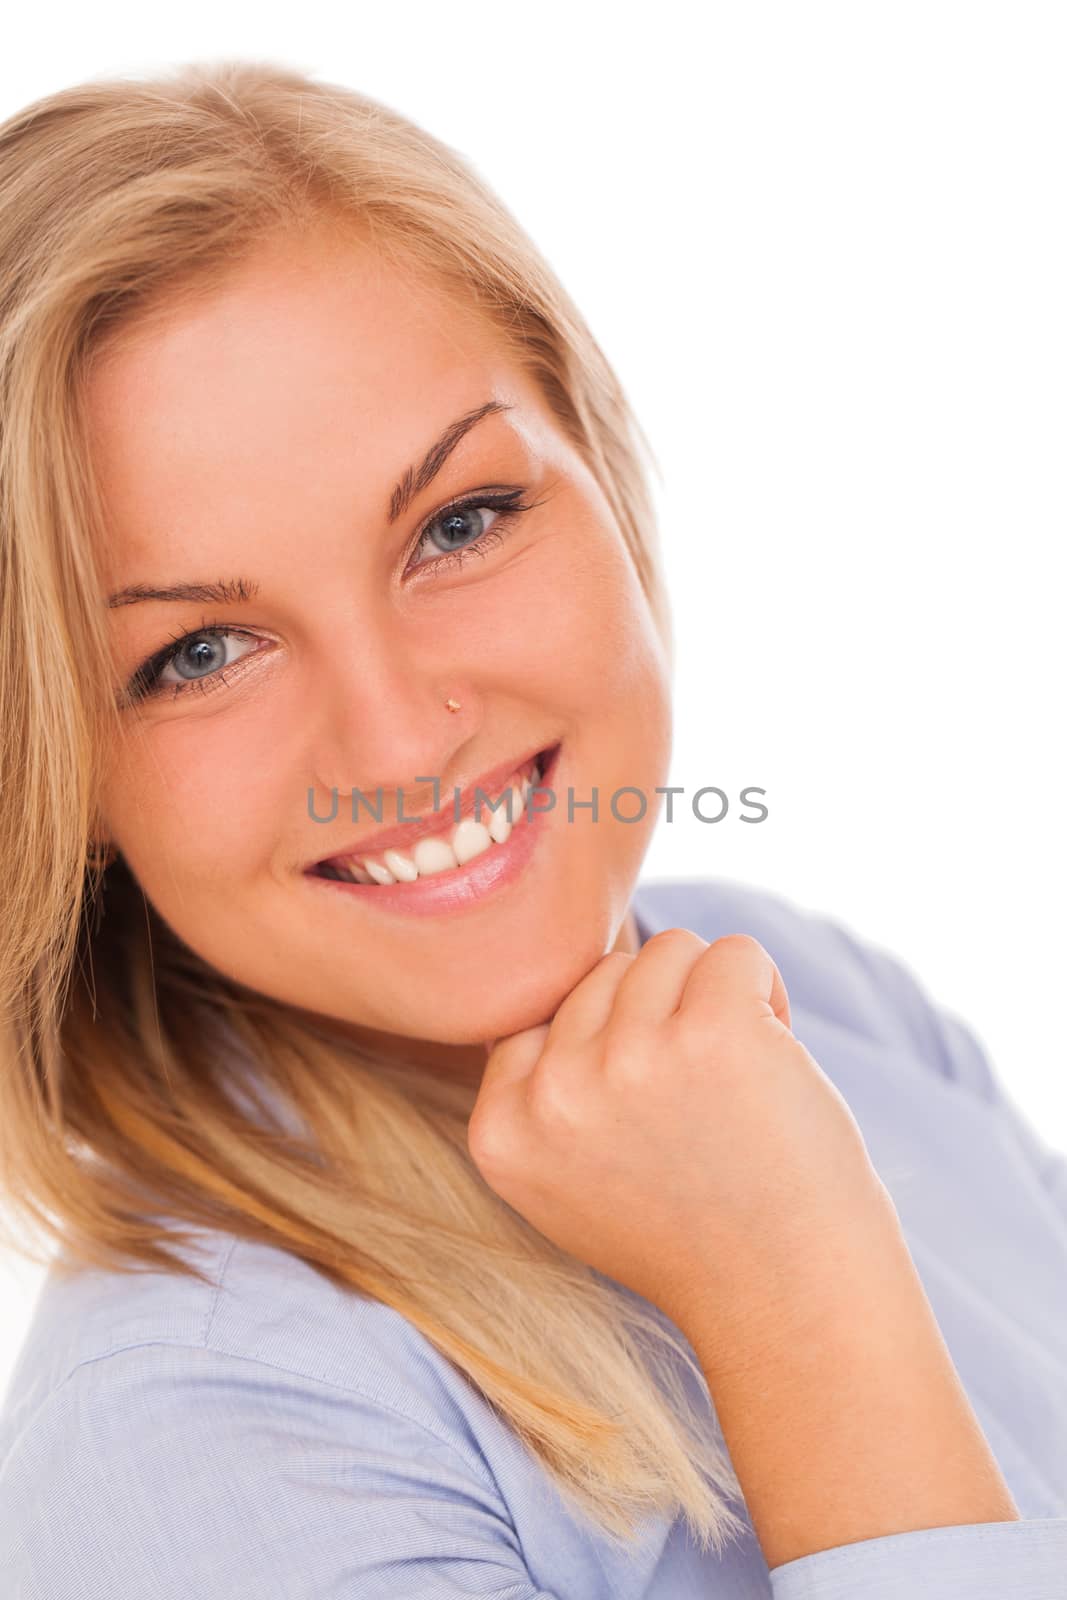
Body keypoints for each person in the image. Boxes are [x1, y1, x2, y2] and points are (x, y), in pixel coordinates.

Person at [0, 58, 1064, 1600]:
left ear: (605, 474)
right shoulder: (192, 1445)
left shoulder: (817, 993)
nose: (400, 737)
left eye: (460, 523)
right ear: (57, 779)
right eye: (197, 655)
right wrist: (793, 1286)